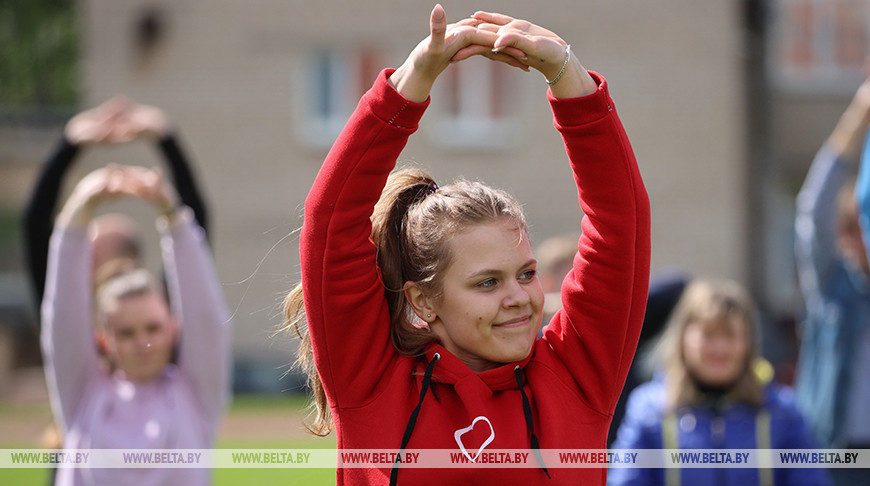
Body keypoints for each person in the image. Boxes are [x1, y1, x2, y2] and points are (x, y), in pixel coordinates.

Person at [284, 5, 650, 485]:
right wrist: (414, 79)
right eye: (487, 282)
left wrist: (567, 73)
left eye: (525, 273)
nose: (519, 297)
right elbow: (330, 223)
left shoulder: (576, 375)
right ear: (422, 299)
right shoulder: (373, 383)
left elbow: (621, 225)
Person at [41, 165, 231, 486]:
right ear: (102, 340)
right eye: (125, 333)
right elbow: (63, 314)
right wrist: (79, 207)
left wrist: (171, 211)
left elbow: (205, 315)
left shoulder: (195, 395)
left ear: (173, 329)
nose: (143, 342)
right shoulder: (83, 393)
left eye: (153, 328)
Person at [607, 279, 831, 486]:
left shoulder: (782, 412)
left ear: (748, 343)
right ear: (683, 340)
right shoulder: (649, 410)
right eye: (709, 335)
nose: (720, 348)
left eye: (730, 336)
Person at [22, 95, 209, 309]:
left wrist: (166, 138)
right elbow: (35, 223)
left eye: (90, 253)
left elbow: (192, 236)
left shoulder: (157, 312)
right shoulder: (67, 311)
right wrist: (69, 143)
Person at [793, 69, 870, 485]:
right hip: (833, 453)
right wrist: (860, 112)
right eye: (853, 226)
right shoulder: (832, 283)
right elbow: (814, 208)